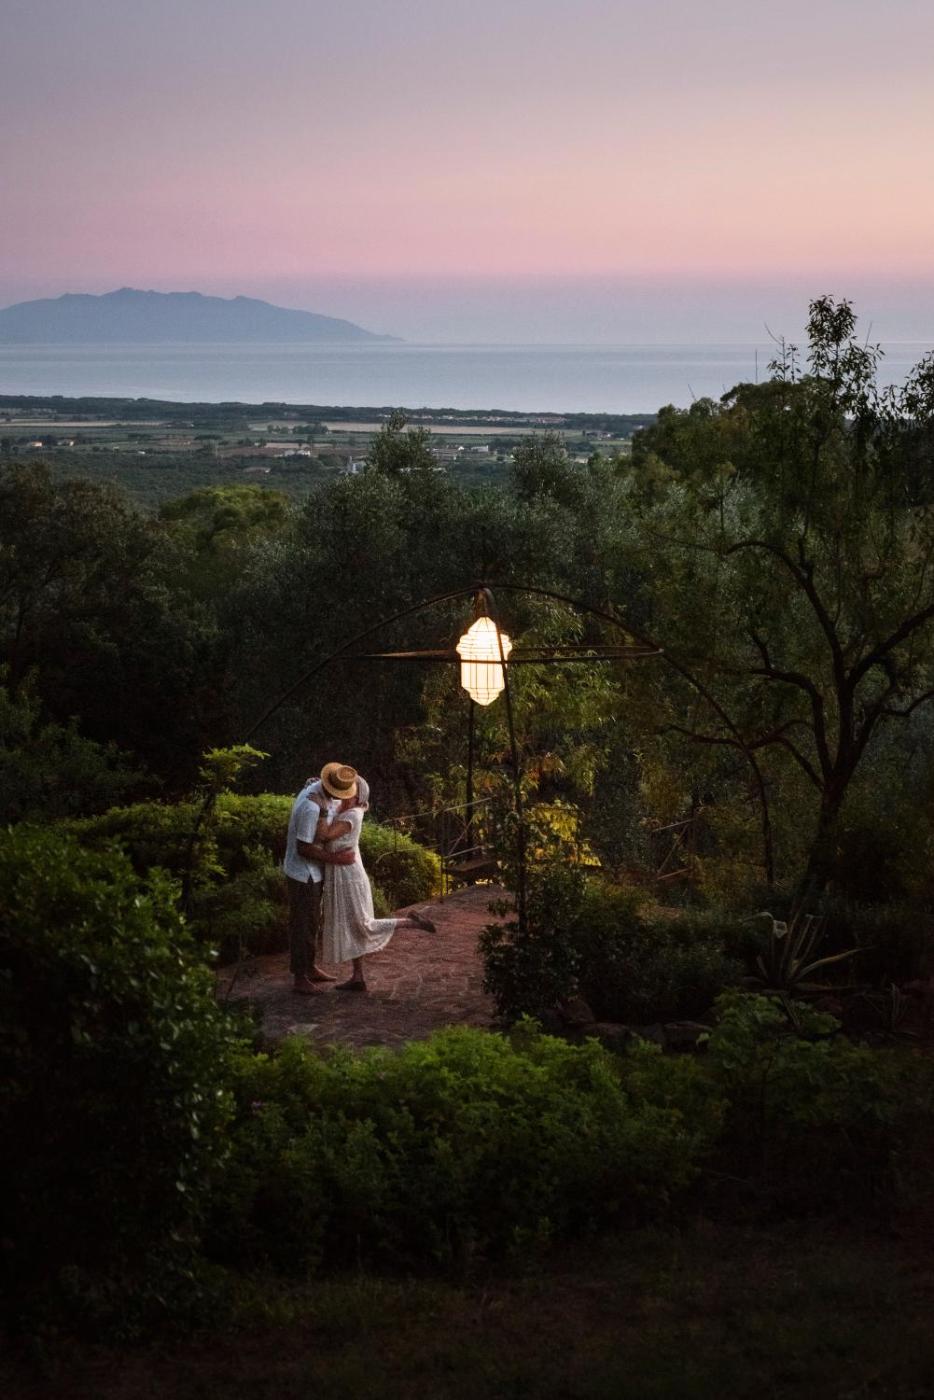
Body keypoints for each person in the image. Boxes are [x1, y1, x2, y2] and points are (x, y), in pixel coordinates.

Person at [309, 769, 435, 992]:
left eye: (349, 790)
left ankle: (410, 922)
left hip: (349, 876)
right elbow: (331, 797)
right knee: (353, 925)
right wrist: (318, 786)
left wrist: (321, 810)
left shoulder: (352, 815)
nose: (343, 793)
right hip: (341, 873)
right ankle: (358, 977)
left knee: (362, 924)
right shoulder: (344, 806)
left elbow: (325, 835)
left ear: (357, 796)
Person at [282, 764, 357, 995]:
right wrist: (336, 859)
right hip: (303, 874)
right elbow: (303, 847)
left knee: (312, 922)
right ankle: (300, 977)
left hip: (313, 873)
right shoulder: (311, 807)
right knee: (303, 925)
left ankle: (310, 967)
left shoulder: (318, 790)